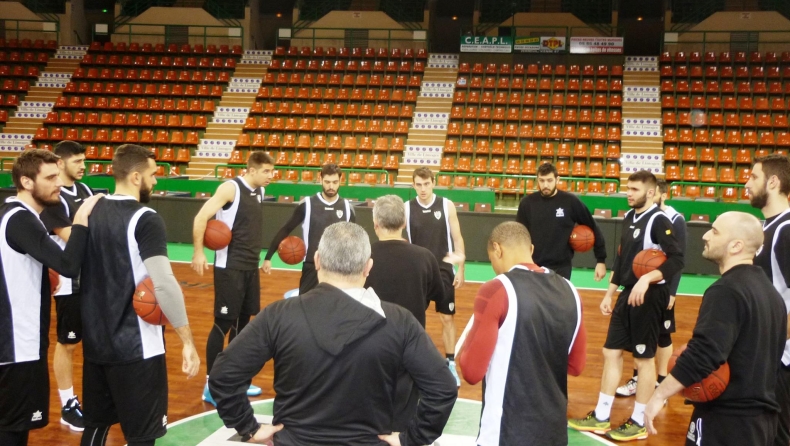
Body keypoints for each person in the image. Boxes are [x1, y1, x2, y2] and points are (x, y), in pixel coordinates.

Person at [209, 222, 458, 446]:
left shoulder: (279, 315)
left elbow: (222, 376)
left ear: (317, 260)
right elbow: (443, 388)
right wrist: (412, 438)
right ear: (368, 267)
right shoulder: (399, 321)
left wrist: (248, 427)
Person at [79, 144, 200, 446]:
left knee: (95, 427)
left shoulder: (90, 211)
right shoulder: (146, 218)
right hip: (137, 348)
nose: (156, 181)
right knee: (141, 437)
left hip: (95, 344)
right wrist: (187, 340)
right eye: (153, 175)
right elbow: (164, 283)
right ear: (135, 177)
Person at [644, 212, 787, 446]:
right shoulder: (772, 295)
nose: (706, 236)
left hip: (726, 422)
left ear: (736, 246)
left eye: (715, 231)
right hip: (762, 423)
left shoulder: (726, 291)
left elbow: (703, 354)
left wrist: (659, 394)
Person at [568, 170, 684, 442]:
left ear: (651, 193)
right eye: (627, 188)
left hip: (650, 295)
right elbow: (622, 260)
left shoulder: (659, 221)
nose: (628, 193)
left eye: (634, 189)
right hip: (628, 293)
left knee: (644, 359)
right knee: (610, 352)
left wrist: (648, 279)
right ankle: (601, 415)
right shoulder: (630, 216)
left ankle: (639, 420)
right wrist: (610, 293)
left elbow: (677, 259)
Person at [0, 150, 101, 446]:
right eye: (50, 178)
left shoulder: (14, 216)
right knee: (11, 429)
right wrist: (81, 219)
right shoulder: (20, 219)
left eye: (57, 176)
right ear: (26, 182)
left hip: (18, 342)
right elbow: (69, 264)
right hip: (17, 343)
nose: (58, 183)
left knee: (14, 427)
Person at [457, 222, 586, 445]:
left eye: (491, 259)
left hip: (507, 433)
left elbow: (471, 372)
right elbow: (576, 365)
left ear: (497, 249)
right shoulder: (570, 290)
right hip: (553, 433)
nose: (494, 267)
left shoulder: (496, 289)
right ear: (531, 250)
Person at [191, 151, 274, 406]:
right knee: (222, 324)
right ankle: (210, 385)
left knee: (243, 325)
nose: (271, 176)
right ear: (251, 170)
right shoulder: (230, 189)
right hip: (229, 268)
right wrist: (198, 252)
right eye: (266, 171)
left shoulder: (258, 191)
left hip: (249, 267)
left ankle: (235, 381)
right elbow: (201, 217)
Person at [364, 194, 445, 430]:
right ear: (403, 223)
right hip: (409, 349)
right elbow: (438, 296)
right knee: (404, 422)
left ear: (376, 223)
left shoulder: (362, 257)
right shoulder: (425, 257)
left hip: (368, 348)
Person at [38, 141, 94, 431]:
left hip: (92, 278)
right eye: (77, 161)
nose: (83, 165)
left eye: (84, 160)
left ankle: (96, 397)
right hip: (68, 280)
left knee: (94, 340)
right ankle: (67, 404)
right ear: (60, 163)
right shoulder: (53, 197)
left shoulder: (84, 191)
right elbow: (73, 235)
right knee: (68, 342)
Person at [617, 179, 687, 398]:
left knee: (663, 335)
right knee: (640, 340)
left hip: (661, 286)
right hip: (640, 286)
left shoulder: (673, 219)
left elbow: (677, 258)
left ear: (659, 194)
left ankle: (661, 380)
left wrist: (673, 292)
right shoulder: (637, 217)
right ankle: (639, 379)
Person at [406, 167, 466, 385]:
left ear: (433, 182)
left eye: (426, 184)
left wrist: (461, 268)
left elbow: (458, 238)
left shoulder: (446, 205)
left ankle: (450, 363)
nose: (423, 189)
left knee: (447, 317)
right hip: (417, 269)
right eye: (418, 185)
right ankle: (414, 363)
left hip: (443, 269)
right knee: (413, 319)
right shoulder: (406, 208)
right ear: (413, 185)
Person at [746, 154, 790, 446]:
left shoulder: (786, 230)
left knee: (778, 434)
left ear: (773, 182)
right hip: (767, 353)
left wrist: (774, 345)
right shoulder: (767, 228)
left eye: (753, 177)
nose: (746, 183)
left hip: (780, 357)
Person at [262, 163, 355, 294]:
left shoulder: (347, 207)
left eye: (335, 182)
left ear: (341, 181)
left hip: (337, 268)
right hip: (311, 266)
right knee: (305, 307)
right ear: (320, 179)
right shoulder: (307, 204)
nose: (331, 186)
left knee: (334, 310)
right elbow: (286, 229)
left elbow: (353, 240)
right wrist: (268, 257)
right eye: (327, 182)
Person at [515, 162, 607, 280]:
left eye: (549, 180)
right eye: (542, 181)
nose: (545, 185)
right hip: (533, 265)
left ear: (557, 179)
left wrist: (601, 260)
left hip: (561, 268)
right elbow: (519, 235)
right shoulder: (527, 203)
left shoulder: (570, 202)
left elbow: (593, 227)